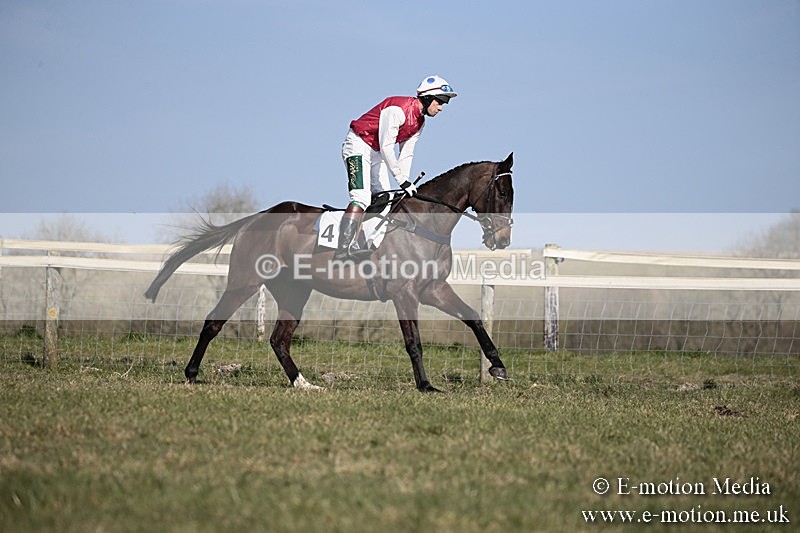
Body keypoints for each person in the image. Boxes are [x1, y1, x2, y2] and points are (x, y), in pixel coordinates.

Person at [334, 75, 457, 260]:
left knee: (385, 198)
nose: (441, 107)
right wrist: (401, 180)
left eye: (444, 102)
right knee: (361, 197)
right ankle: (343, 248)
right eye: (440, 101)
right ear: (426, 97)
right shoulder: (397, 110)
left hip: (376, 152)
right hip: (358, 145)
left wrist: (405, 183)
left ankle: (362, 243)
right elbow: (386, 146)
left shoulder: (419, 123)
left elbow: (406, 154)